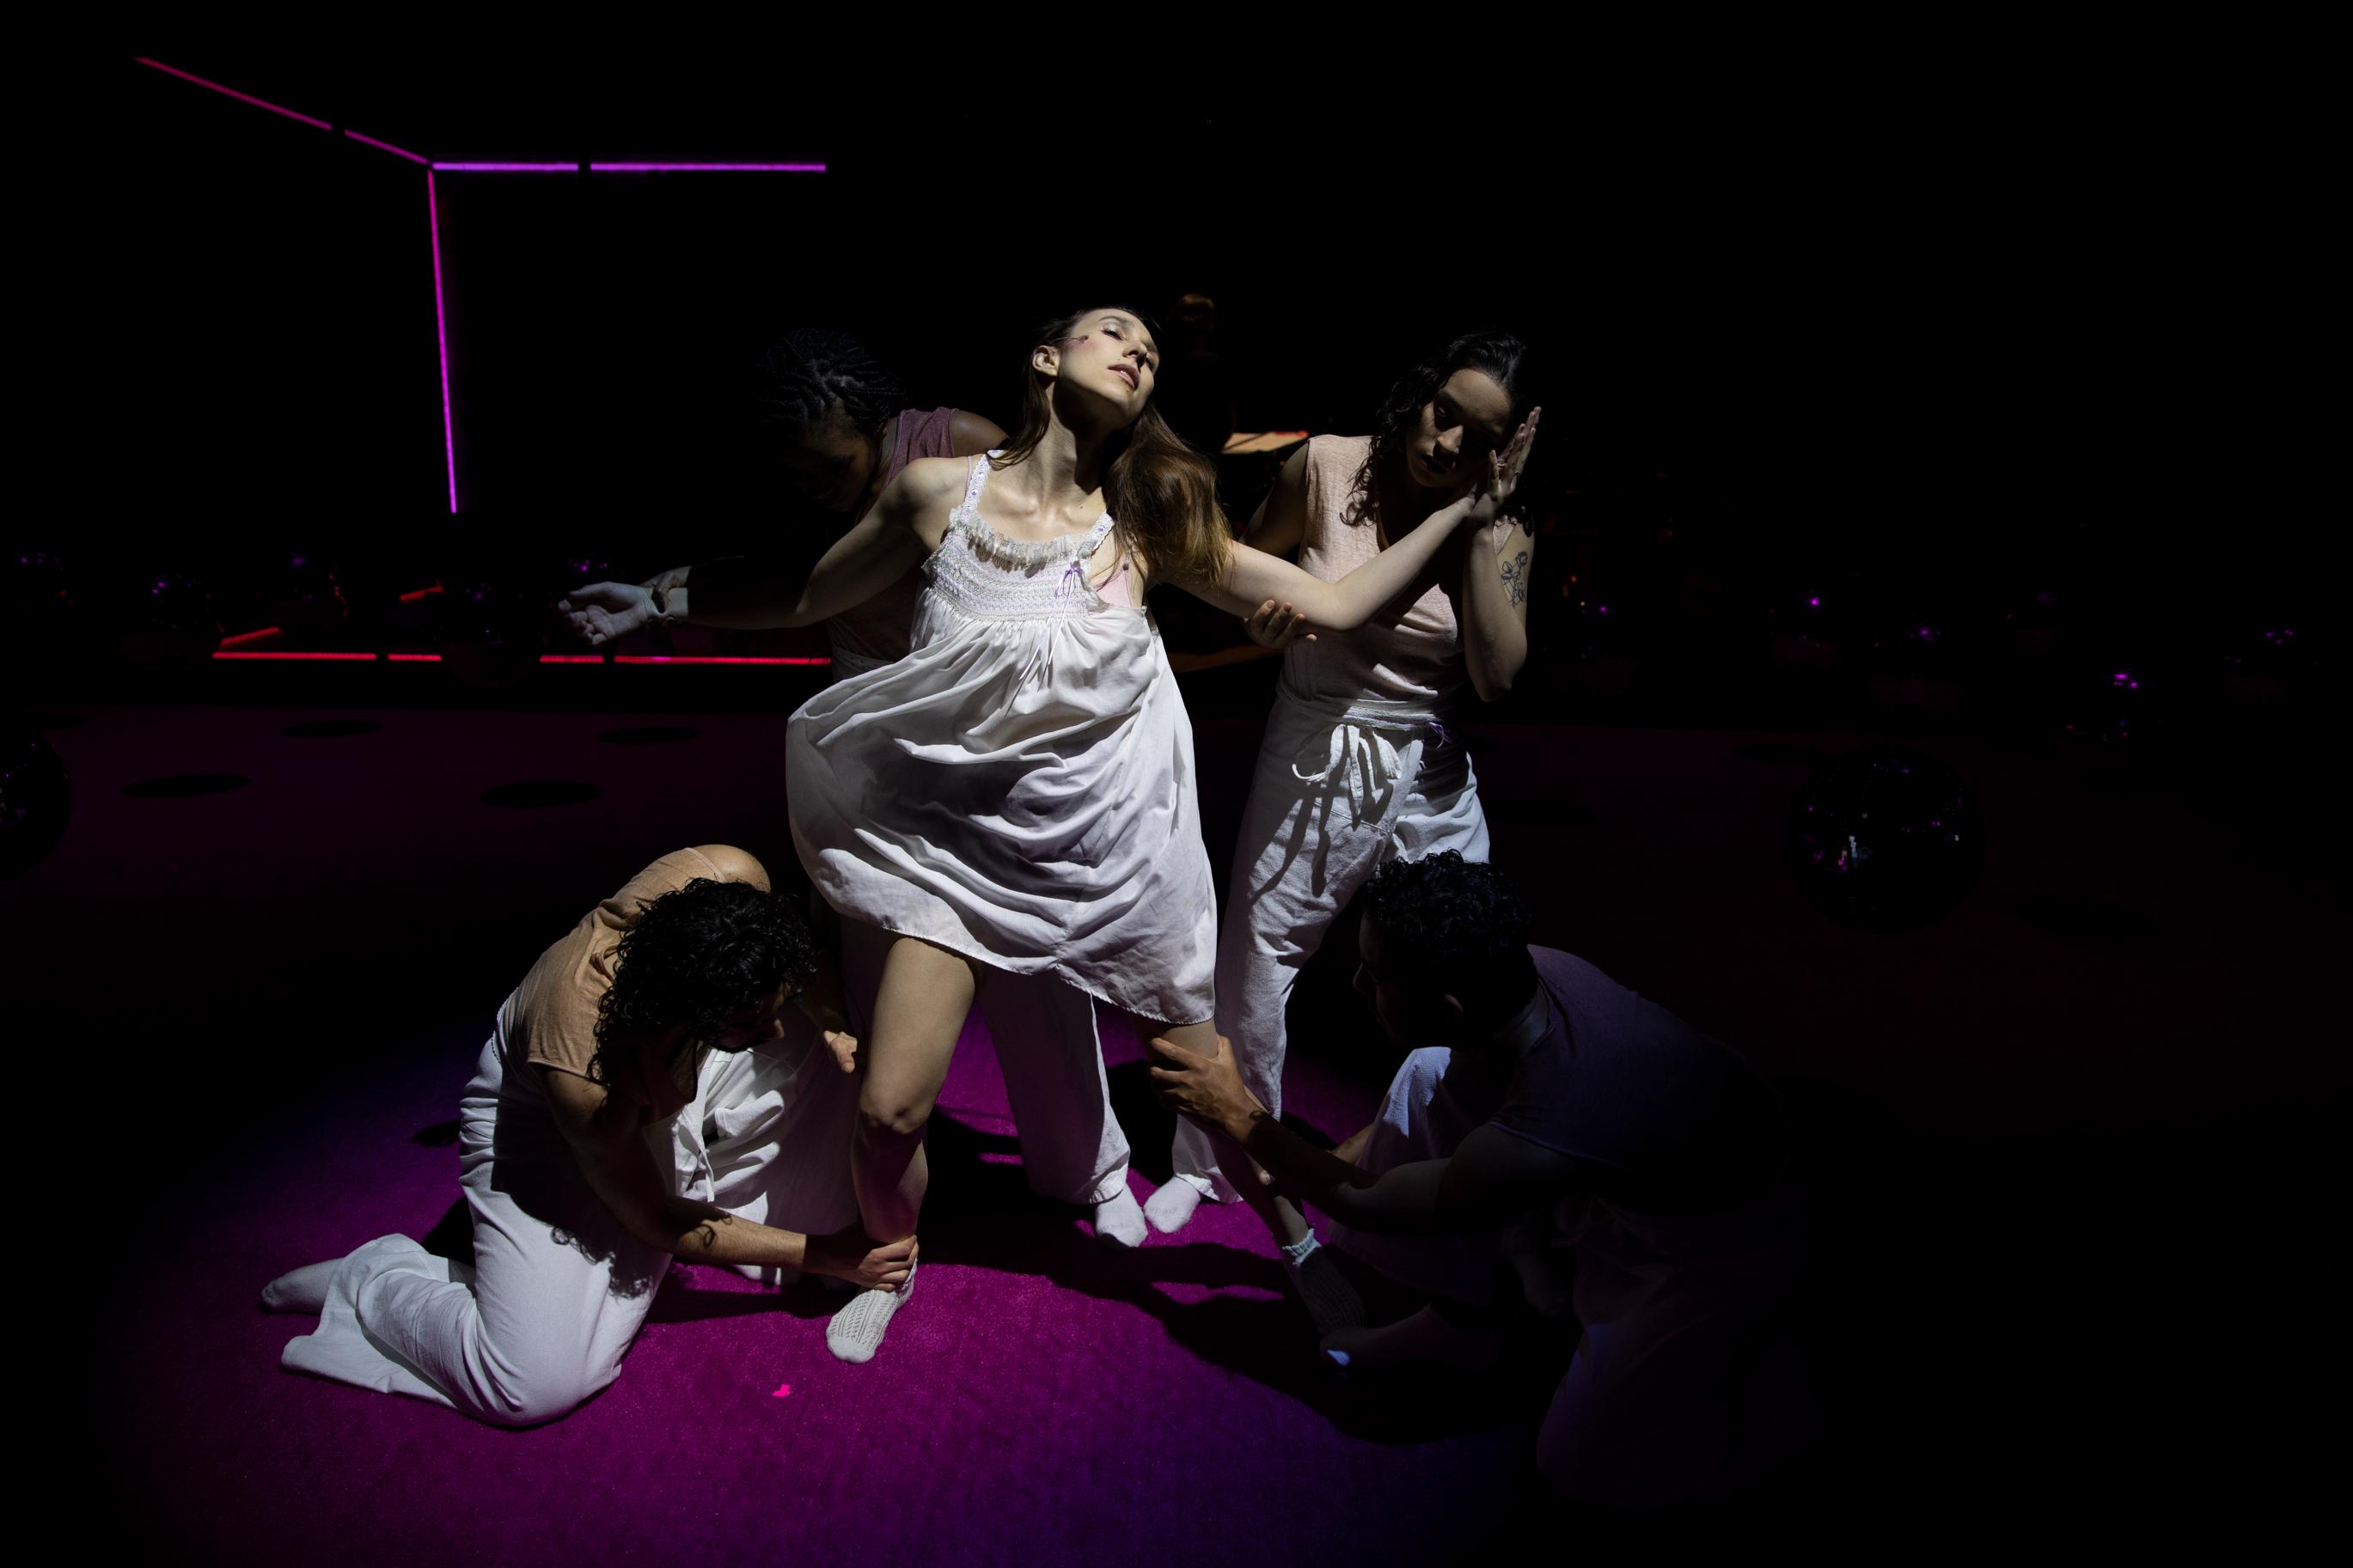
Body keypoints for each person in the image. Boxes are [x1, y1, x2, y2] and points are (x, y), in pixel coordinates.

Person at [579, 304, 1537, 1361]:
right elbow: (808, 594)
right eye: (1113, 331)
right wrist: (659, 598)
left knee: (1207, 1083)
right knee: (888, 1112)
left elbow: (1336, 603)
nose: (1138, 350)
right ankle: (889, 1261)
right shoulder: (935, 492)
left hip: (1109, 851)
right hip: (956, 850)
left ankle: (1300, 1251)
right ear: (1046, 357)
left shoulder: (1144, 522)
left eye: (1149, 352)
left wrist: (1465, 512)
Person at [563, 331, 1149, 1250]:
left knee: (1033, 965)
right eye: (795, 474)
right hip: (873, 739)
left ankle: (1090, 1169)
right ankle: (883, 1172)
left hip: (987, 740)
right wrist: (659, 598)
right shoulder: (800, 494)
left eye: (830, 467)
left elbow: (1060, 570)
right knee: (875, 966)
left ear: (878, 426)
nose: (814, 488)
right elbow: (790, 588)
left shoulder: (956, 444)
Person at [1146, 851, 1810, 1507]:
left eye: (1376, 975)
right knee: (1428, 1074)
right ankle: (1462, 1325)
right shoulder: (1521, 976)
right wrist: (1304, 1160)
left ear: (1449, 1008)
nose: (1355, 983)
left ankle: (1784, 1399)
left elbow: (1372, 1200)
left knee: (1581, 1465)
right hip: (1643, 1152)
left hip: (1728, 1238)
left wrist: (1237, 1113)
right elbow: (1386, 1146)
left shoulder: (1549, 1115)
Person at [260, 847, 912, 1424]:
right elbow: (655, 1217)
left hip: (675, 1070)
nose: (774, 1032)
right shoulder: (585, 1075)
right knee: (533, 1381)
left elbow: (795, 958)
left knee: (854, 1035)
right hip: (550, 1130)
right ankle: (376, 1277)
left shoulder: (727, 875)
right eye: (752, 1023)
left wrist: (830, 1021)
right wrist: (826, 1254)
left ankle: (720, 1168)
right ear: (687, 1011)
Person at [1146, 333, 1538, 1261]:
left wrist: (1481, 524)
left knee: (1469, 966)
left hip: (1429, 763)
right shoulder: (1324, 465)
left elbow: (1496, 678)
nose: (1448, 443)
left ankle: (1441, 1156)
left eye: (1479, 438)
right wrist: (1263, 623)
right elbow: (1240, 573)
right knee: (1258, 958)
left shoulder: (1503, 527)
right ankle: (1215, 1159)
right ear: (1421, 391)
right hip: (1316, 740)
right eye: (1444, 412)